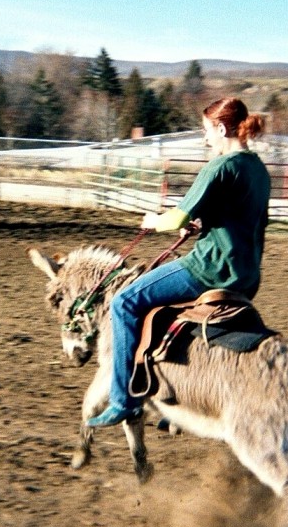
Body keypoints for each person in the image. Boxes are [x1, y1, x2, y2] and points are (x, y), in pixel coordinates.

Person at [87, 97, 271, 428]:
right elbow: (243, 218)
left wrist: (153, 220)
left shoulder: (221, 166)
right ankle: (174, 406)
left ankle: (123, 400)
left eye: (205, 131)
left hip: (211, 268)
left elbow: (175, 219)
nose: (205, 139)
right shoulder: (257, 168)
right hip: (246, 274)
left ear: (220, 127)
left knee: (124, 303)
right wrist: (202, 224)